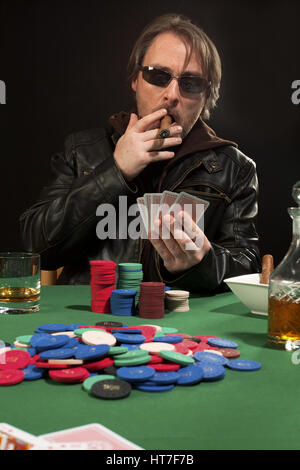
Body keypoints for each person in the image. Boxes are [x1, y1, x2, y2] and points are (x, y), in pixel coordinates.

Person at [20, 13, 261, 292]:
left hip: (185, 329)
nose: (172, 95)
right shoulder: (82, 150)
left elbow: (247, 270)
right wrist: (116, 170)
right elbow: (35, 247)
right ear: (136, 79)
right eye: (158, 76)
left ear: (207, 96)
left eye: (190, 83)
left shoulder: (234, 169)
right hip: (86, 324)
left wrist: (203, 263)